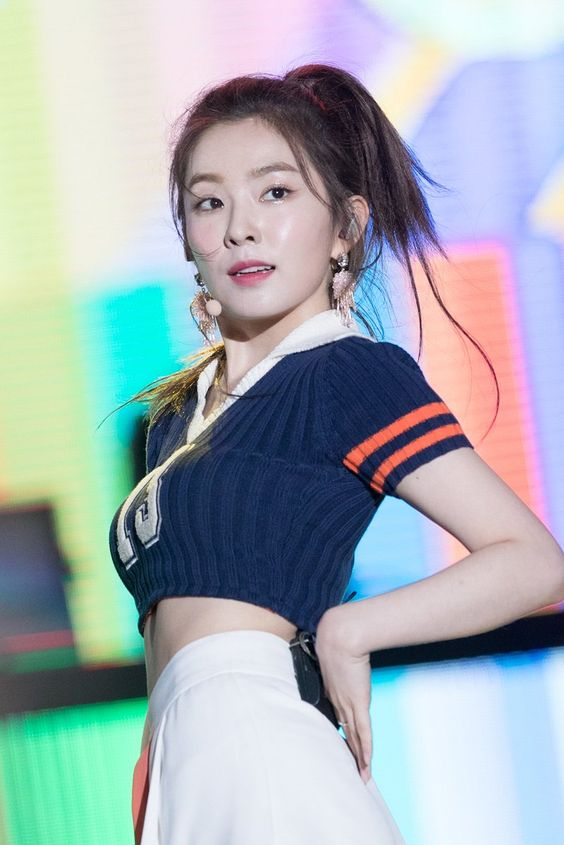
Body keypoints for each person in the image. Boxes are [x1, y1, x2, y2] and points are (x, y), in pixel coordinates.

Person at [108, 63, 564, 844]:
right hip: (187, 769)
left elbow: (533, 560)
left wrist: (351, 629)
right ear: (187, 237)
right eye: (209, 201)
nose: (240, 227)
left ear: (346, 226)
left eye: (276, 192)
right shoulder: (175, 417)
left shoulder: (342, 373)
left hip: (265, 751)